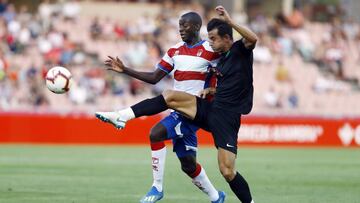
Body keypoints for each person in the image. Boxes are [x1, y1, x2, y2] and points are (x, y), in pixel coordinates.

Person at [96, 5, 258, 203]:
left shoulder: (237, 50)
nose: (211, 42)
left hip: (227, 117)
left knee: (227, 171)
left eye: (214, 38)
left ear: (226, 38)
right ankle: (123, 116)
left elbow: (252, 39)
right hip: (207, 109)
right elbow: (158, 77)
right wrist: (211, 90)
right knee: (171, 100)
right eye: (210, 38)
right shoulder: (214, 60)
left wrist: (230, 22)